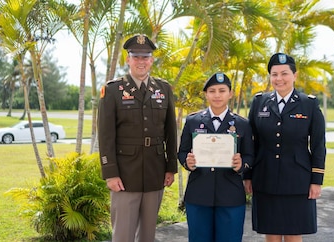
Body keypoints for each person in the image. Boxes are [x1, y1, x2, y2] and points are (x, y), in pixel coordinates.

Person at [98, 34, 178, 242]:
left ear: (151, 60)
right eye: (136, 57)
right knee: (123, 235)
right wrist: (110, 173)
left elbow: (170, 131)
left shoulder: (164, 89)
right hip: (125, 175)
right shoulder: (113, 90)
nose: (141, 61)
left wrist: (170, 167)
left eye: (146, 57)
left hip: (154, 172)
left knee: (147, 235)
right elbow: (106, 136)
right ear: (128, 59)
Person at [244, 53, 326, 242]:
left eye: (284, 73)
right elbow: (251, 143)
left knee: (293, 232)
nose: (279, 79)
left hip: (297, 181)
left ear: (294, 76)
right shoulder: (259, 102)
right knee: (271, 232)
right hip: (265, 178)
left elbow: (318, 145)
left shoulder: (309, 104)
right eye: (274, 74)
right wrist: (247, 176)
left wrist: (316, 180)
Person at [178, 72, 254, 242]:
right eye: (212, 91)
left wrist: (241, 164)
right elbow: (182, 152)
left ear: (230, 93)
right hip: (199, 194)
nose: (217, 95)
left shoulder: (242, 124)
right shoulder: (193, 121)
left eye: (222, 90)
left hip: (230, 196)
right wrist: (187, 162)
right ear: (206, 94)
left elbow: (250, 156)